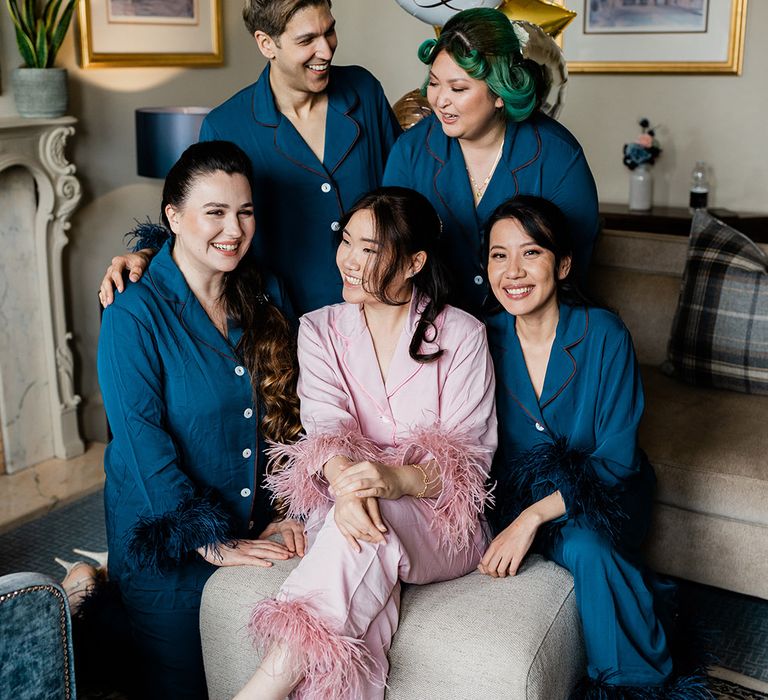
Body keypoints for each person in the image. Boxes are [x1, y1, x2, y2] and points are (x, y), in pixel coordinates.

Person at [234, 187, 497, 700]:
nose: (349, 261)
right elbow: (326, 428)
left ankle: (260, 690)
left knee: (361, 523)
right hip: (348, 510)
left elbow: (471, 461)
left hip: (442, 524)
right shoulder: (319, 329)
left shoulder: (462, 334)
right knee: (363, 617)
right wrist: (351, 488)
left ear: (414, 262)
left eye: (370, 250)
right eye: (346, 241)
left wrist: (390, 480)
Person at [97, 141, 306, 699]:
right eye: (214, 212)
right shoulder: (132, 313)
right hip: (167, 551)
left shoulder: (267, 292)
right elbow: (142, 444)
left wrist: (287, 512)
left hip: (253, 526)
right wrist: (211, 544)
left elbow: (290, 420)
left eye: (244, 211)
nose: (233, 229)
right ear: (173, 218)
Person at [479, 195, 710, 698]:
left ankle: (636, 685)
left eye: (531, 253)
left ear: (562, 265)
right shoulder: (480, 339)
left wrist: (533, 518)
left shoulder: (604, 334)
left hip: (607, 494)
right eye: (499, 255)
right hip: (511, 495)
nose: (513, 271)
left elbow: (617, 459)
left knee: (588, 544)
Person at [99, 0, 401, 316]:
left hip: (382, 307)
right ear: (266, 43)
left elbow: (405, 194)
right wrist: (148, 254)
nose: (326, 50)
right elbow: (202, 222)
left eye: (330, 31)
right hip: (285, 323)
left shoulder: (364, 91)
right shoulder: (226, 125)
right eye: (307, 40)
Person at [383, 8, 599, 315]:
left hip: (529, 334)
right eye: (434, 83)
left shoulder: (559, 157)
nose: (439, 100)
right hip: (434, 333)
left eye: (458, 88)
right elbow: (394, 259)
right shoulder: (410, 152)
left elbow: (570, 275)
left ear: (500, 92)